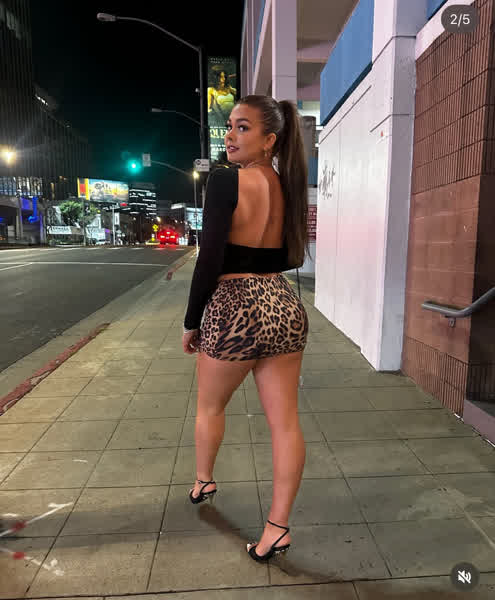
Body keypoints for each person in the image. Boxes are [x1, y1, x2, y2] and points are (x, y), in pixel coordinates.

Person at [182, 95, 310, 563]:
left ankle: (203, 481)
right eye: (230, 126)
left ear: (269, 139)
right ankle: (277, 528)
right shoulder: (288, 185)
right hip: (282, 303)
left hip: (233, 307)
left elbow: (210, 258)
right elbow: (288, 256)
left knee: (210, 406)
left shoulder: (225, 181)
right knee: (285, 422)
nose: (230, 135)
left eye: (242, 127)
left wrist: (192, 320)